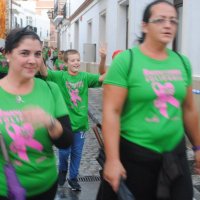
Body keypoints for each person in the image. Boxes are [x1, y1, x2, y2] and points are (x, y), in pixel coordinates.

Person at [100, 1, 200, 200]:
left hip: (174, 155)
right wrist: (112, 159)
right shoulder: (126, 61)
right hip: (136, 156)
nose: (168, 25)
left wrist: (198, 147)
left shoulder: (182, 62)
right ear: (144, 25)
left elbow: (188, 109)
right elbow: (112, 112)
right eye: (160, 20)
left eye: (173, 20)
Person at [0, 26, 73, 200]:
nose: (33, 60)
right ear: (8, 54)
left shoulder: (51, 89)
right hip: (5, 189)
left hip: (45, 187)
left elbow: (66, 142)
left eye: (38, 54)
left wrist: (49, 121)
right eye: (25, 53)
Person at [40, 48, 106, 191]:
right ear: (66, 63)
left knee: (77, 154)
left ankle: (73, 178)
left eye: (78, 59)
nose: (76, 63)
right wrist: (39, 56)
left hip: (81, 124)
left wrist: (103, 58)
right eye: (73, 60)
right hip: (66, 125)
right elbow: (45, 73)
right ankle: (63, 170)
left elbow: (102, 77)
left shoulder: (85, 76)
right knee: (64, 153)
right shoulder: (60, 76)